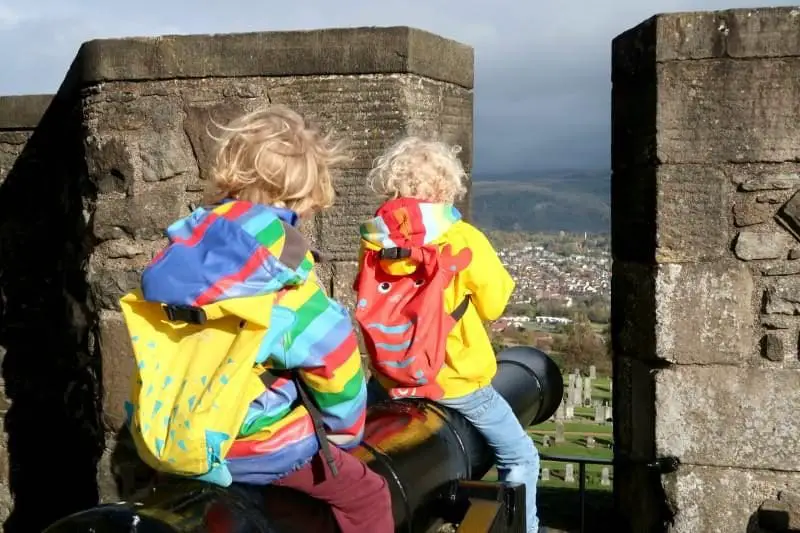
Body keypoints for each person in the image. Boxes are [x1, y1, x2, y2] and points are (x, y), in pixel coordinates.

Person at [121, 105, 393, 533]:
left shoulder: (182, 250)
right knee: (369, 494)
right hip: (253, 446)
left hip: (170, 437)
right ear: (305, 197)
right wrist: (346, 430)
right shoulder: (281, 274)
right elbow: (334, 356)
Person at [353, 137, 541, 532]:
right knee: (520, 457)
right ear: (445, 188)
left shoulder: (373, 241)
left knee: (354, 443)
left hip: (391, 376)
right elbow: (494, 305)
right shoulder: (463, 239)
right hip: (454, 380)